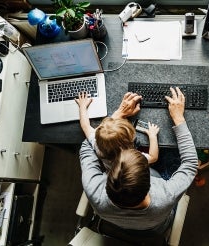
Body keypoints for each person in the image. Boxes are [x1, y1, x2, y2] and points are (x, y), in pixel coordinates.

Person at [79, 87, 198, 235]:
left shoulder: (93, 190)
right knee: (171, 158)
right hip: (156, 228)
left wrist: (117, 116)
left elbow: (88, 144)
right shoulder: (166, 195)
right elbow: (191, 164)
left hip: (117, 225)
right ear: (149, 181)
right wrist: (178, 118)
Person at [75, 91, 160, 171]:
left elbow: (85, 126)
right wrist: (152, 136)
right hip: (130, 169)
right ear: (129, 141)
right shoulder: (131, 158)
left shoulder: (97, 144)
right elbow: (153, 157)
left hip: (111, 169)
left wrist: (82, 107)